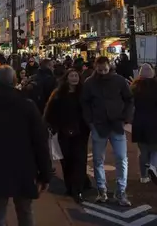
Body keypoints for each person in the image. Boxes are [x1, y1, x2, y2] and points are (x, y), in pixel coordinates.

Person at [0, 65, 52, 226]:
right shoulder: (27, 105)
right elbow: (40, 141)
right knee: (25, 210)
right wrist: (45, 173)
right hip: (23, 166)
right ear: (14, 81)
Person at [81, 56, 133, 205]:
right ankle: (102, 190)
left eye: (105, 69)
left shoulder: (119, 81)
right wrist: (90, 121)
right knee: (98, 160)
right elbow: (84, 102)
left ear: (109, 66)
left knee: (121, 159)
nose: (103, 72)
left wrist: (125, 118)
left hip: (116, 124)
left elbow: (129, 99)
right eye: (100, 69)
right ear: (96, 67)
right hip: (99, 124)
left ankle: (121, 192)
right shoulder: (90, 83)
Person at [43, 68, 89, 203]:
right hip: (63, 131)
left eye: (76, 75)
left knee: (79, 160)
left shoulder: (83, 93)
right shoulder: (58, 94)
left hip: (81, 132)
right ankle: (69, 186)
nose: (74, 78)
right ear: (66, 78)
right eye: (71, 76)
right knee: (66, 159)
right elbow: (49, 112)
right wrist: (52, 126)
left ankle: (77, 189)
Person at [130, 63, 157, 184]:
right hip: (154, 121)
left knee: (143, 151)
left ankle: (143, 176)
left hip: (139, 122)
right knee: (155, 149)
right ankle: (153, 167)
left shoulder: (135, 87)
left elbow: (130, 106)